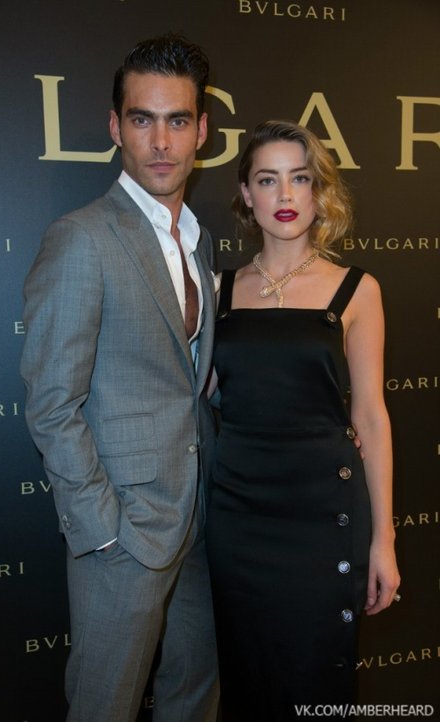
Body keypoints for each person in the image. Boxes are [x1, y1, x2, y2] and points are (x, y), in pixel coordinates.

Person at [20, 34, 219, 722]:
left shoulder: (197, 239)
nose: (161, 142)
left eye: (177, 120)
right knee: (105, 706)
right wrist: (103, 530)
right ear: (115, 126)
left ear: (202, 131)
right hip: (126, 533)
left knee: (195, 696)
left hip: (198, 517)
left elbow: (186, 378)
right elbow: (52, 403)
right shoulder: (82, 237)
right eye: (142, 119)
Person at [205, 120, 401, 721]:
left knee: (316, 675)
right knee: (248, 677)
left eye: (300, 178)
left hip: (324, 515)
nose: (285, 195)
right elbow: (199, 394)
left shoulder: (357, 290)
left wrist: (384, 540)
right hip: (238, 516)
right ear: (246, 194)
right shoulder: (217, 290)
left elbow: (371, 416)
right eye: (268, 180)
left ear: (320, 191)